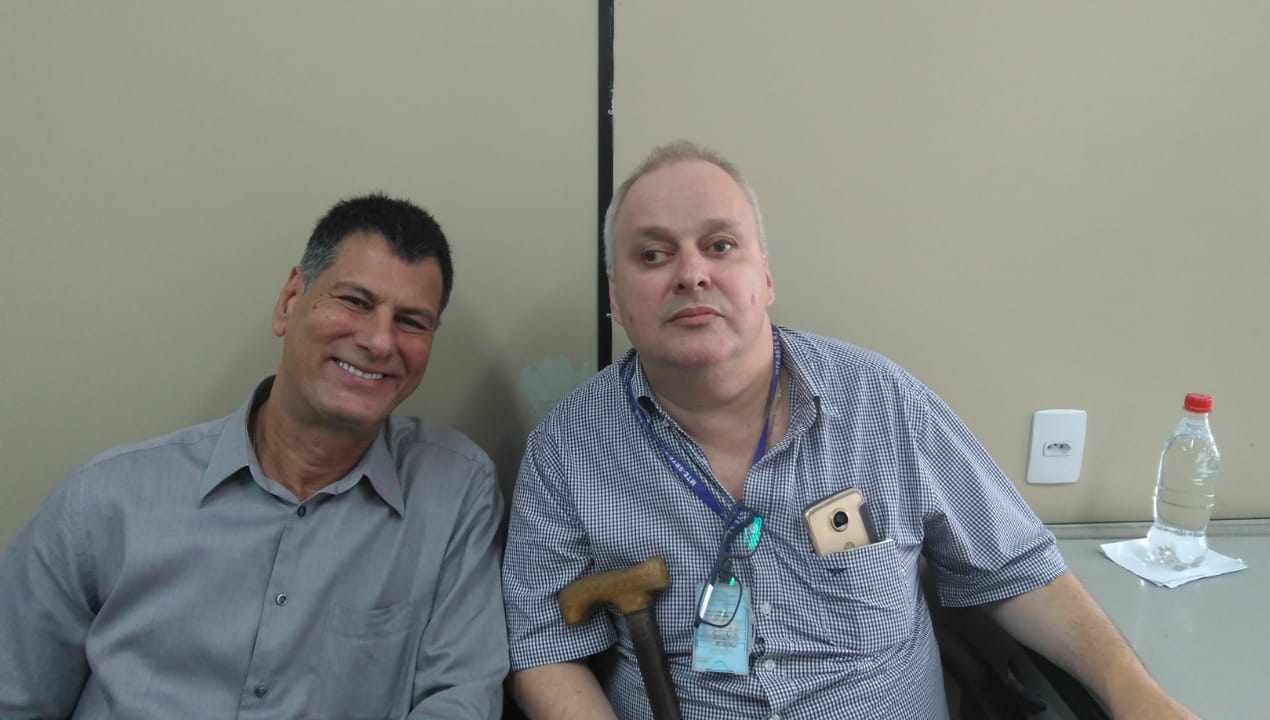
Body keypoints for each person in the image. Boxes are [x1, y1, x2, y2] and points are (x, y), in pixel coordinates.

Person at [502, 142, 1194, 719]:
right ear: (616, 298)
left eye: (720, 245)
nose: (692, 274)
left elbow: (1019, 571)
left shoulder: (882, 403)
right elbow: (542, 648)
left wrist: (1135, 694)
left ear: (765, 276)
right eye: (653, 255)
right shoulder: (567, 449)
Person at [0, 194, 508, 719]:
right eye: (356, 301)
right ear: (289, 301)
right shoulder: (105, 501)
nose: (380, 341)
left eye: (411, 322)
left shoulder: (452, 494)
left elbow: (459, 699)